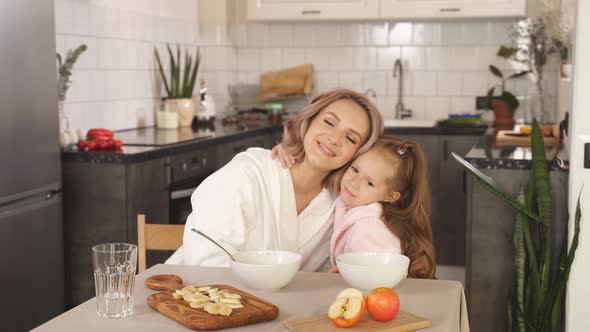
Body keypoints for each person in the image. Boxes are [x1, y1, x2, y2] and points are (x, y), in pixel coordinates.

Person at [165, 88, 384, 271]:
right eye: (329, 122)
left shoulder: (341, 207)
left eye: (350, 137)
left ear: (357, 153)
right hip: (191, 300)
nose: (334, 139)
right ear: (309, 120)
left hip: (275, 313)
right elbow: (204, 261)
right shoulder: (249, 172)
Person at [273, 135, 436, 278]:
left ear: (390, 196)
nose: (353, 183)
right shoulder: (351, 201)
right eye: (355, 169)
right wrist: (289, 152)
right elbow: (318, 168)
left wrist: (349, 273)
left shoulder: (370, 227)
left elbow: (384, 272)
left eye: (369, 183)